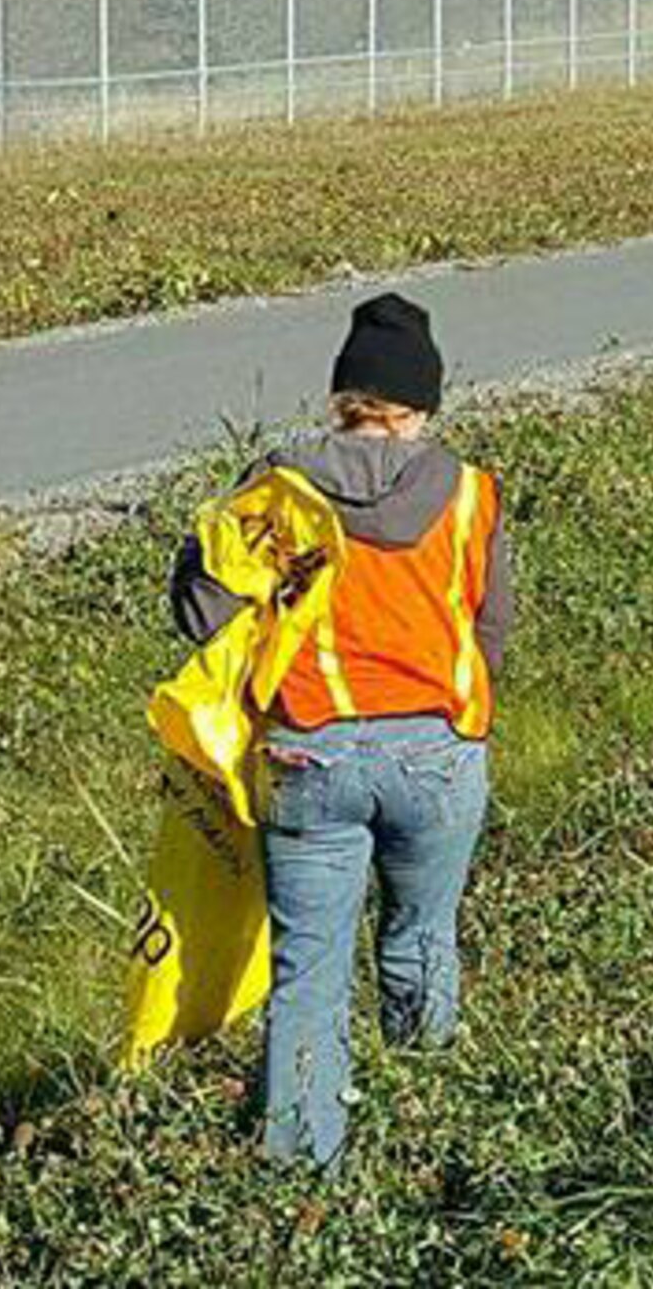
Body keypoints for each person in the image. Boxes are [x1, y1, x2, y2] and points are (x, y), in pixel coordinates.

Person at [170, 291, 513, 1169]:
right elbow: (492, 627)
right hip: (437, 753)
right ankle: (427, 1122)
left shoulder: (279, 489)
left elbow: (201, 609)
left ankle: (301, 1177)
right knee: (421, 937)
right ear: (423, 404)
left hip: (308, 751)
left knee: (308, 975)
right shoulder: (472, 495)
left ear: (342, 397)